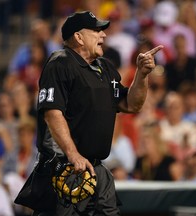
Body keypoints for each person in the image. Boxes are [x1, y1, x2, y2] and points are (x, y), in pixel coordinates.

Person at [24, 11, 163, 216]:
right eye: (96, 30)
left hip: (97, 168)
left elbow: (131, 105)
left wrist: (142, 75)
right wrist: (73, 154)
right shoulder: (60, 63)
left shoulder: (105, 67)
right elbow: (52, 113)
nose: (103, 35)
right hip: (65, 168)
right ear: (79, 37)